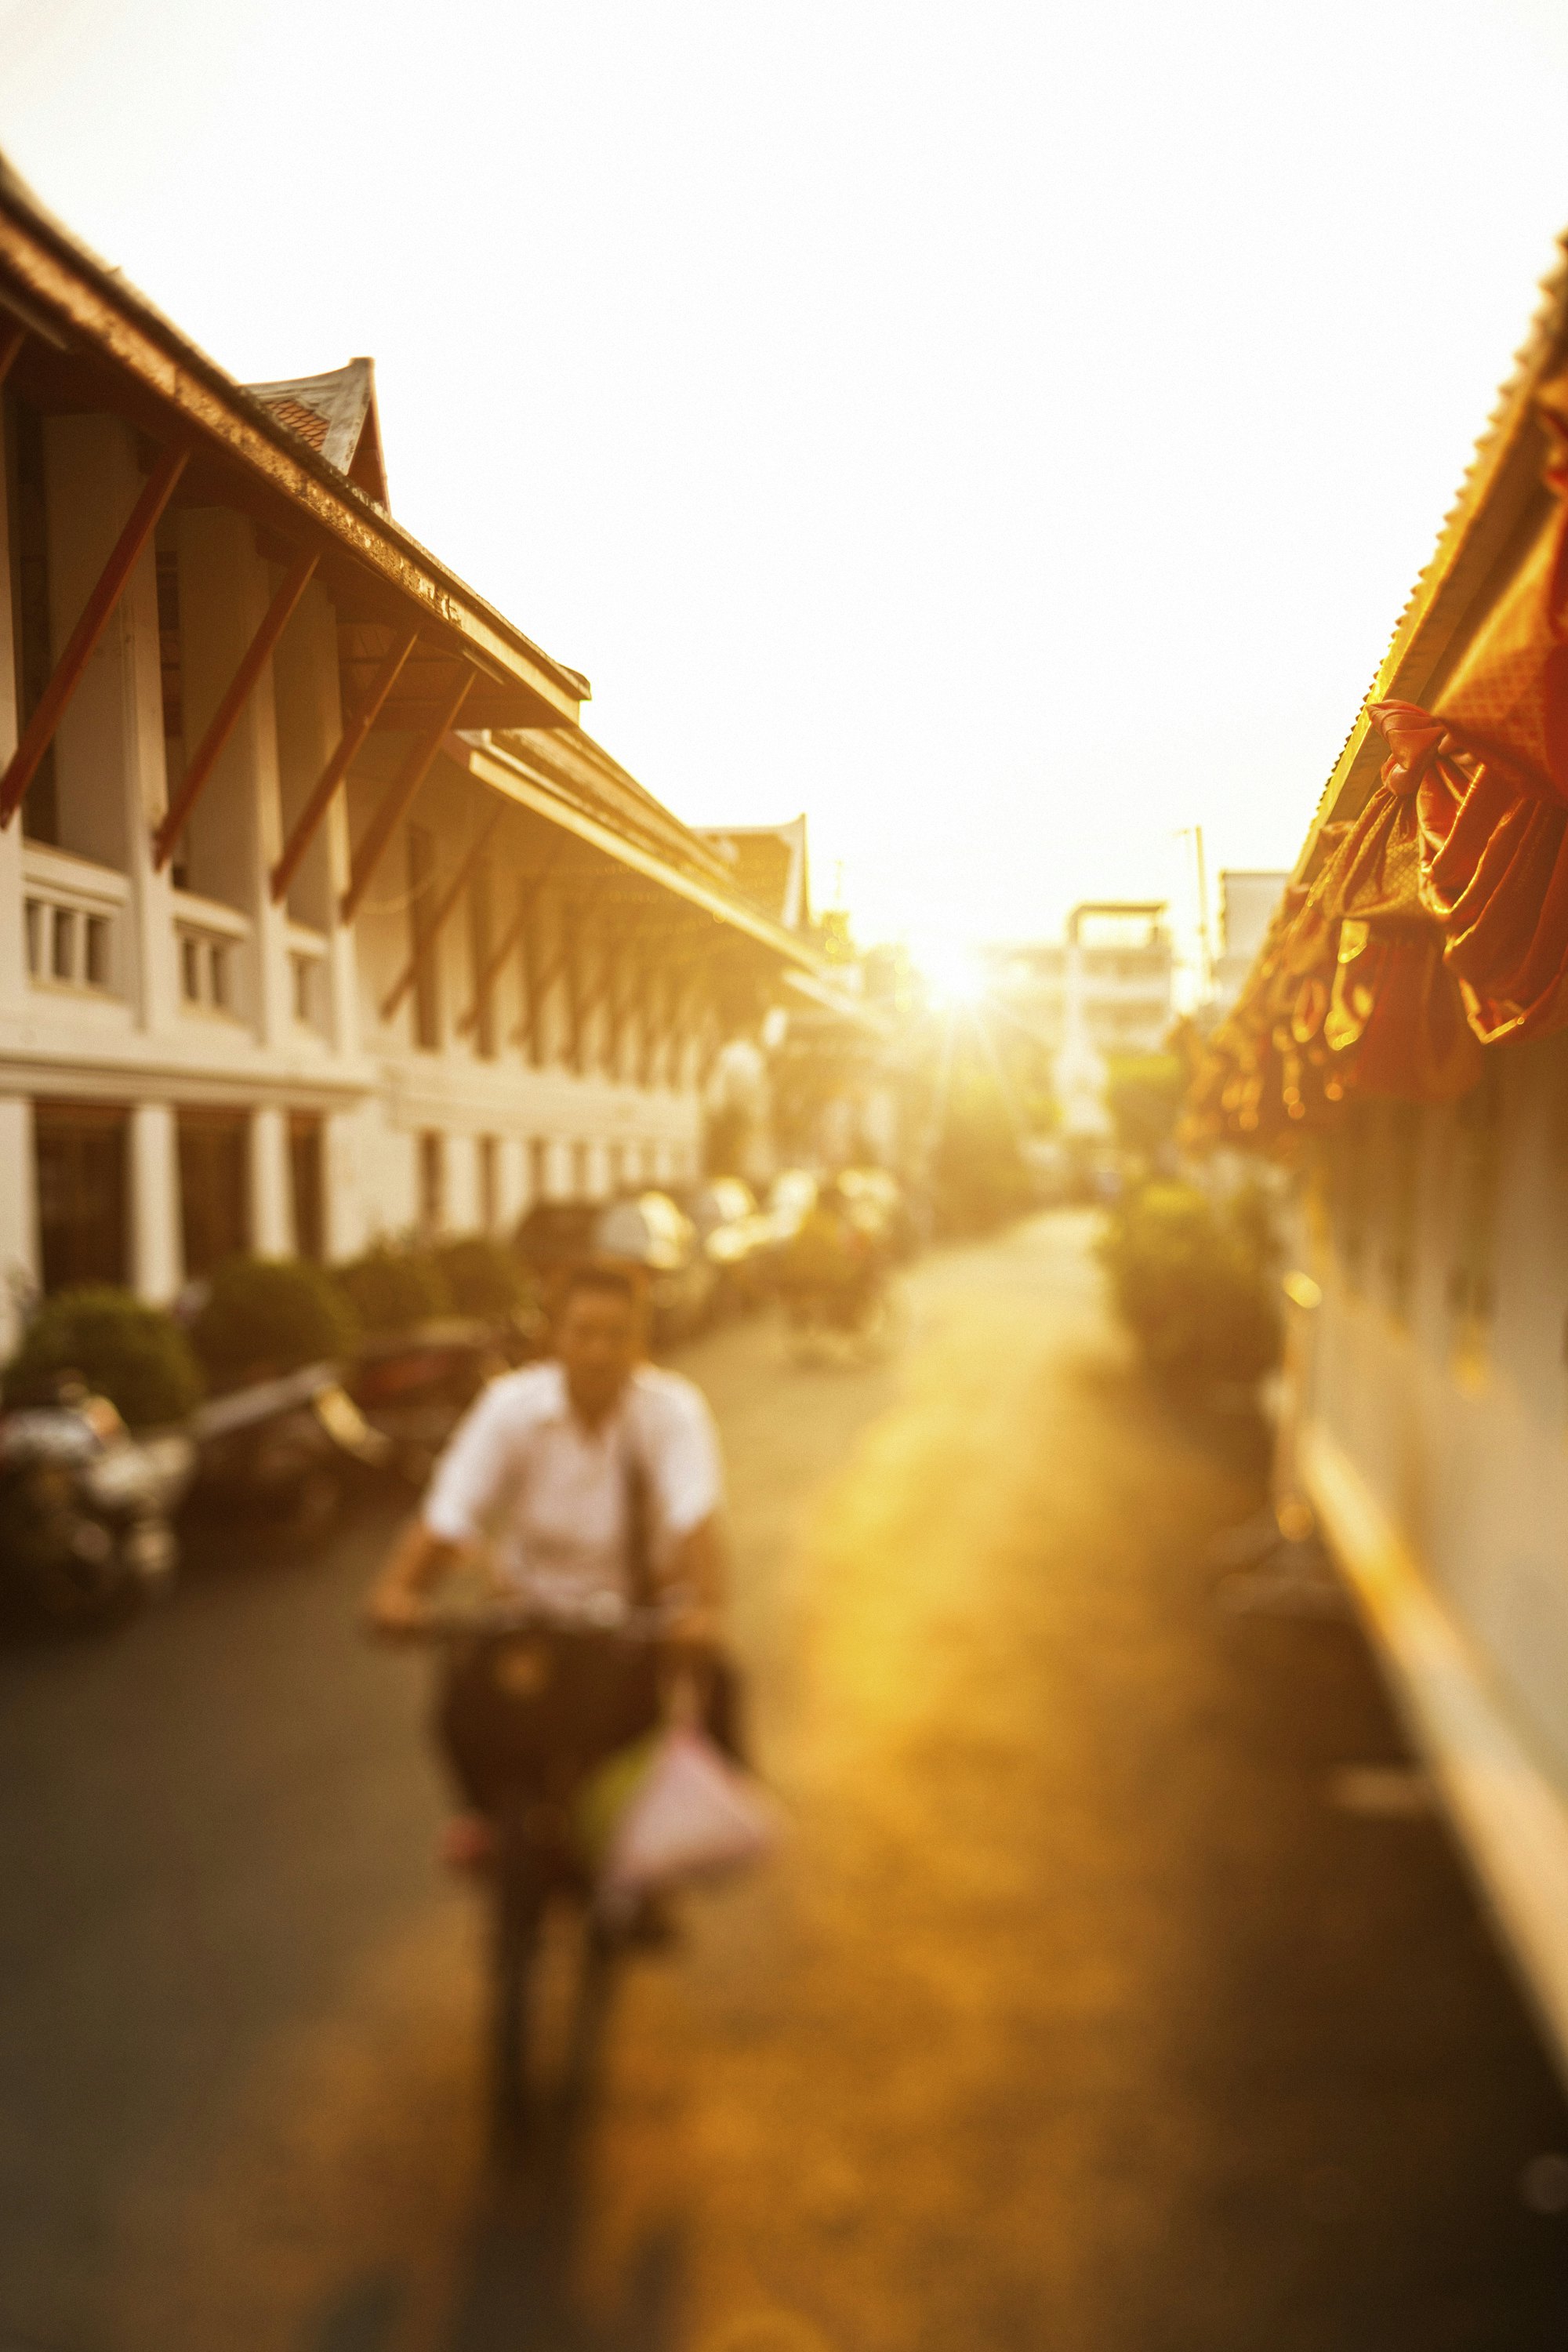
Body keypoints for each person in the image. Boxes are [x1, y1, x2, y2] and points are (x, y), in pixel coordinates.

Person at [367, 1260, 735, 1868]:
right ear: (553, 1338)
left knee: (709, 1693)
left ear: (640, 1342)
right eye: (582, 1332)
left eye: (616, 1335)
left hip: (632, 1622)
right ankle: (486, 1821)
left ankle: (685, 1838)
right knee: (458, 1710)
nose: (597, 1351)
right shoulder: (510, 1408)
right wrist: (397, 1591)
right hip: (530, 1614)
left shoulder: (671, 1412)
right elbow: (450, 1513)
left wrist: (707, 1610)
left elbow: (695, 1517)